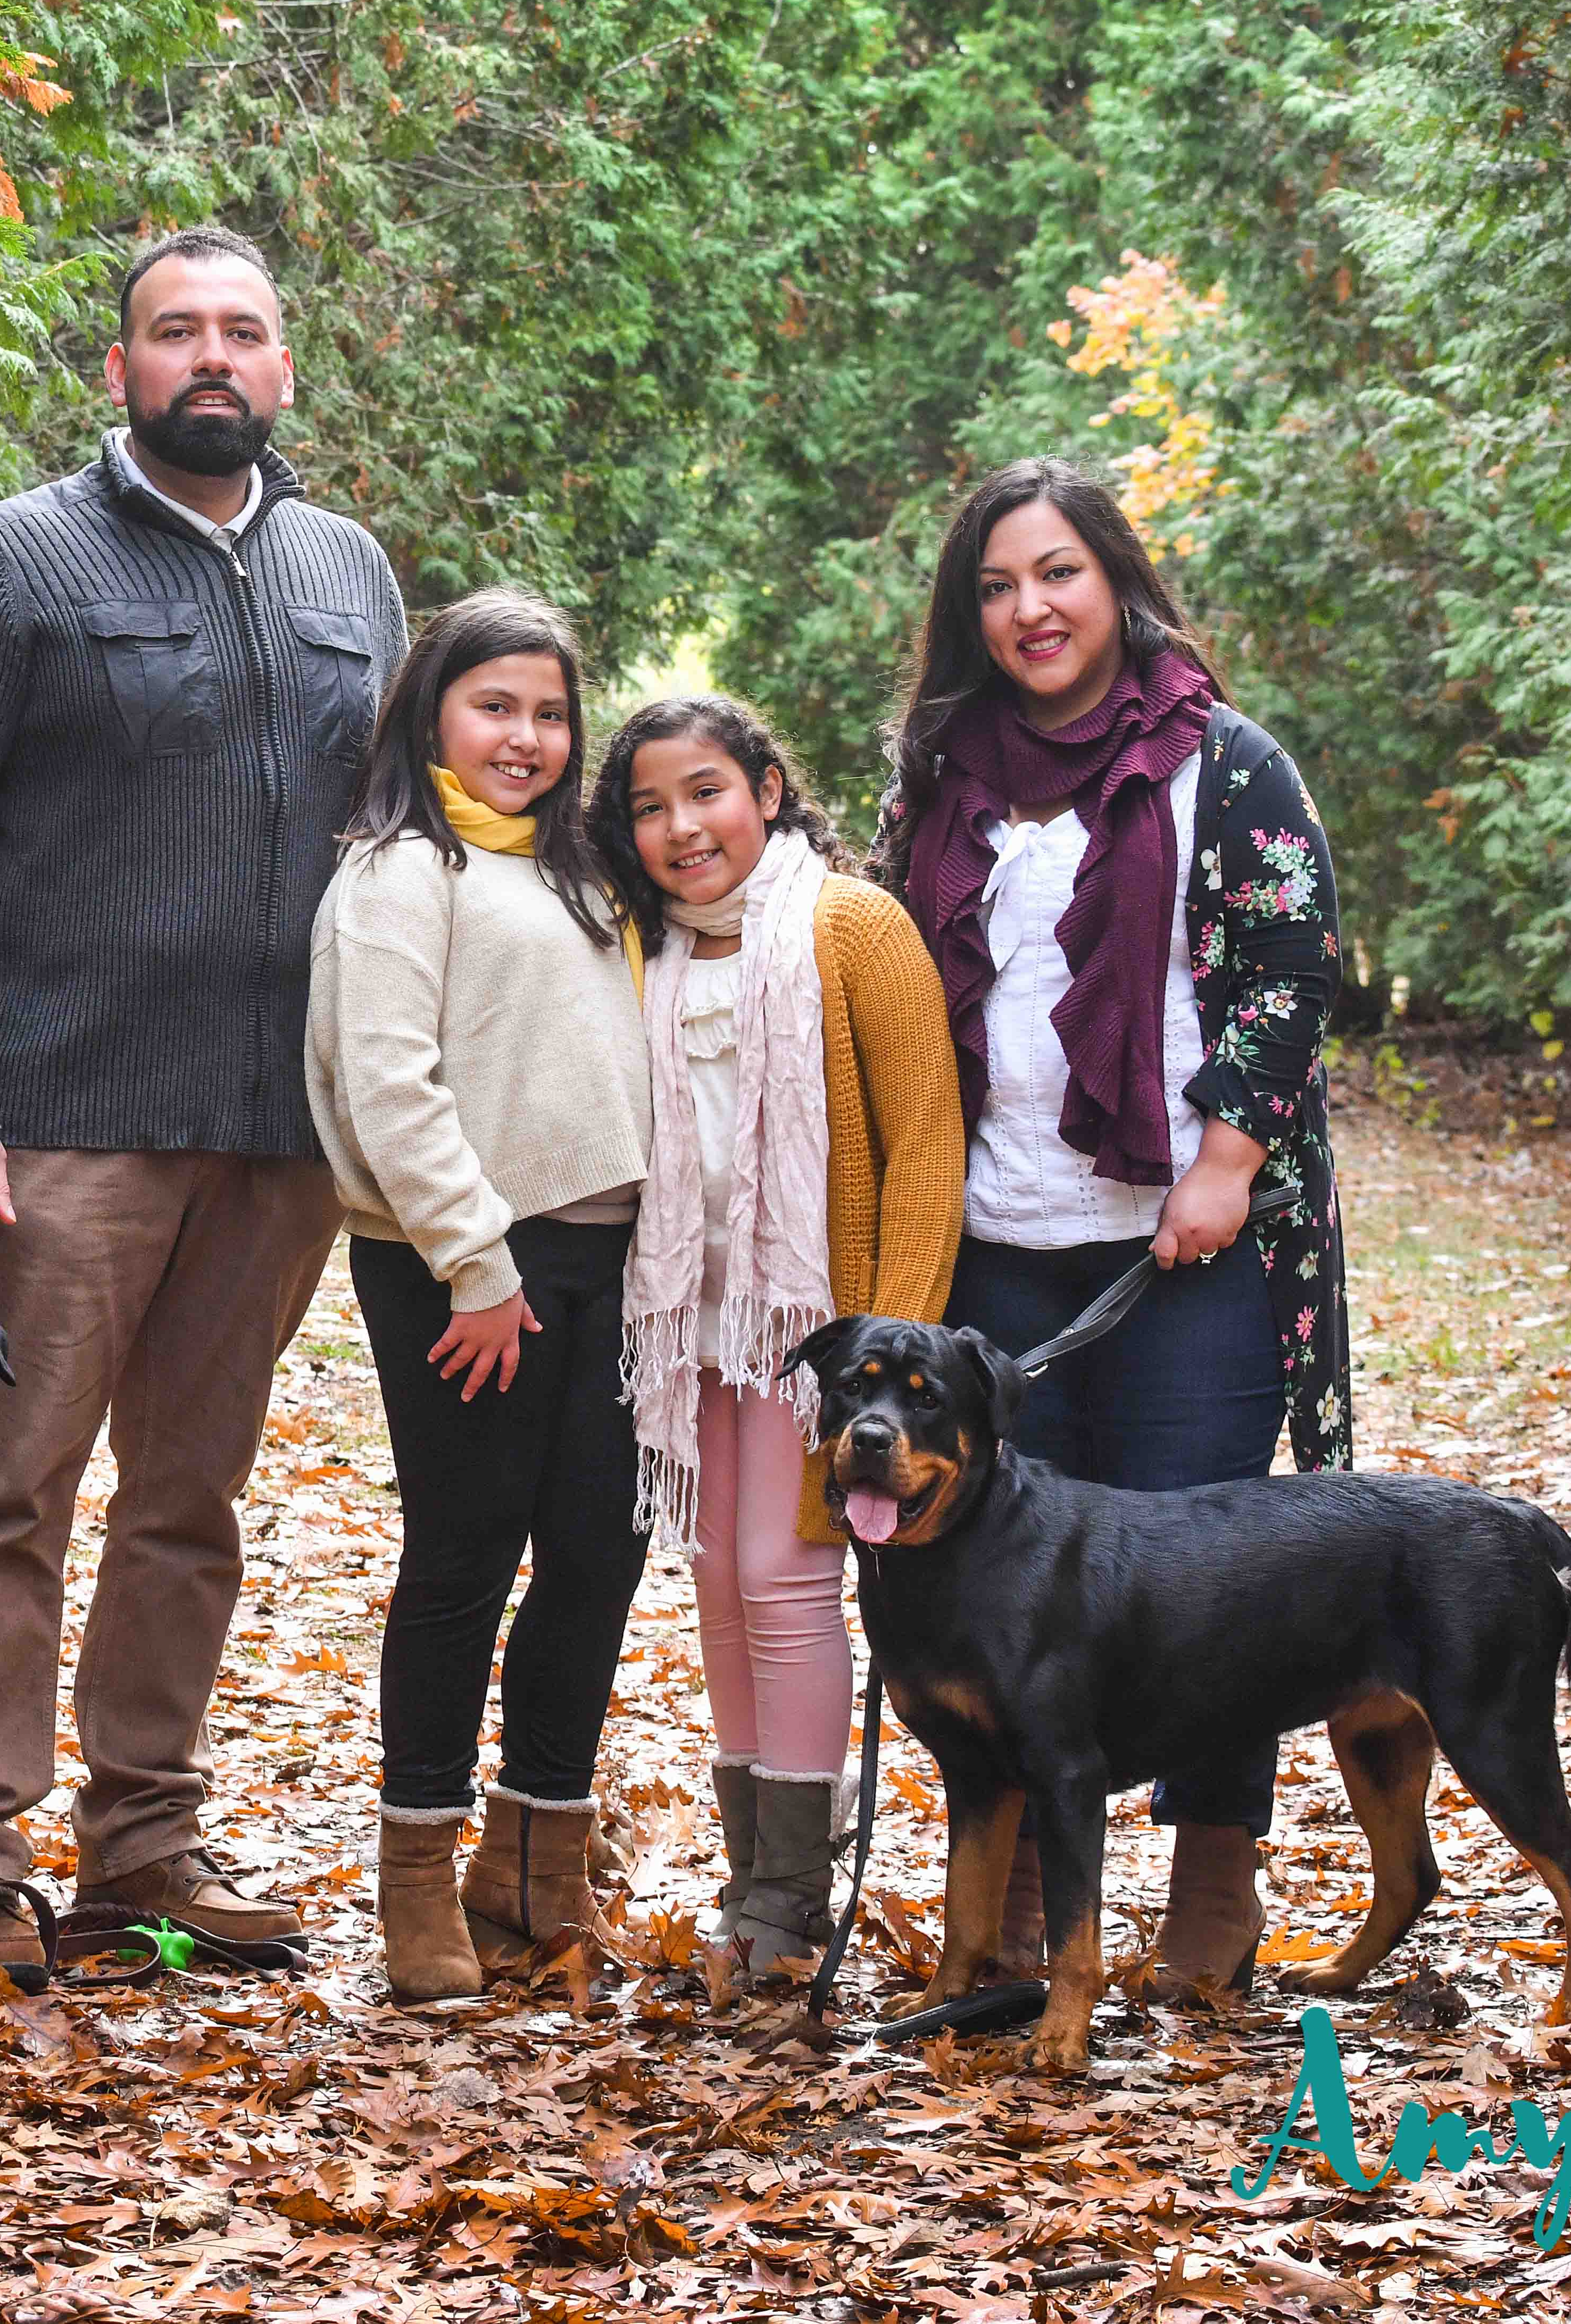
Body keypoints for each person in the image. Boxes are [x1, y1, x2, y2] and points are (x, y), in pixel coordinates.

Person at [0, 224, 406, 1972]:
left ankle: (144, 1847)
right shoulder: (7, 561)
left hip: (276, 1133)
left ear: (284, 368)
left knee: (189, 1502)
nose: (210, 357)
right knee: (7, 1489)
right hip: (63, 1121)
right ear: (119, 369)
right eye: (175, 331)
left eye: (242, 331)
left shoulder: (348, 574)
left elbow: (402, 846)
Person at [872, 455, 1352, 2003]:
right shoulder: (942, 773)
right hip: (995, 1243)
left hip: (1190, 1246)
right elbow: (900, 977)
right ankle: (1010, 1913)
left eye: (1057, 572)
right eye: (996, 585)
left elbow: (1291, 966)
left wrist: (1226, 1160)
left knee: (1210, 1585)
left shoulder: (1224, 760)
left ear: (1115, 579)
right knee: (1000, 1584)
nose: (1030, 608)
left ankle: (1212, 1890)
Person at [304, 590, 654, 2003]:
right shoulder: (400, 869)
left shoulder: (580, 871)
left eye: (549, 712)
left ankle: (533, 1860)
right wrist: (476, 1262)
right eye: (493, 705)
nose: (524, 736)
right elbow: (387, 1085)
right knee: (462, 1560)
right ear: (430, 712)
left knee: (597, 1552)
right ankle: (416, 1876)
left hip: (610, 1263)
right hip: (463, 1272)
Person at [587, 696, 963, 1985]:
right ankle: (753, 1872)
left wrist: (885, 1368)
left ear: (764, 788)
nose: (682, 827)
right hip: (687, 1323)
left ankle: (790, 1897)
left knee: (781, 1576)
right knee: (715, 1583)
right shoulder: (642, 945)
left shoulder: (851, 926)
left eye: (705, 791)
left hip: (818, 1339)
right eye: (648, 806)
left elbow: (925, 1147)